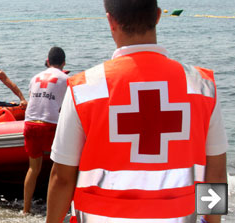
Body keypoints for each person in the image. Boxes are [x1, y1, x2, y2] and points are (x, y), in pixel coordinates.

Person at [46, 1, 228, 223]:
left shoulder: (85, 88)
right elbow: (216, 174)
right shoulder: (202, 87)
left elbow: (62, 179)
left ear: (110, 21)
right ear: (158, 16)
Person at [21, 47, 69, 215]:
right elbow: (69, 107)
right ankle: (56, 210)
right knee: (60, 168)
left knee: (33, 169)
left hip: (30, 124)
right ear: (63, 63)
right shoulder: (66, 79)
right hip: (50, 126)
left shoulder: (35, 77)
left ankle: (25, 210)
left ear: (47, 61)